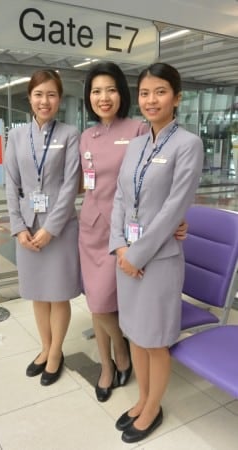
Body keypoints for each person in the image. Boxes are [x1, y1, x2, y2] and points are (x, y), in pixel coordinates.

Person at [79, 61, 187, 402]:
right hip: (95, 231)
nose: (104, 97)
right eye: (96, 91)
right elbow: (84, 184)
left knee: (104, 305)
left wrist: (179, 221)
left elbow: (161, 190)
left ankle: (122, 359)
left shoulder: (139, 130)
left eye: (110, 89)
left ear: (122, 94)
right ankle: (108, 367)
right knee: (96, 304)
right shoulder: (86, 136)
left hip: (130, 235)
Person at [109, 62, 204, 443]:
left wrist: (137, 254)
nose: (151, 100)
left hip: (157, 261)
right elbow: (119, 196)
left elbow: (173, 210)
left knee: (155, 339)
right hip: (126, 256)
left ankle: (153, 407)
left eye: (160, 92)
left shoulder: (188, 144)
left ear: (177, 98)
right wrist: (119, 244)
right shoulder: (134, 143)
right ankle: (142, 398)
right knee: (134, 334)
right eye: (145, 93)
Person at [5, 69, 82, 386]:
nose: (44, 101)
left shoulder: (69, 134)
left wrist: (51, 227)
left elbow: (69, 186)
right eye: (39, 94)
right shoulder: (17, 136)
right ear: (30, 98)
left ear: (59, 99)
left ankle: (56, 353)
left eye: (51, 94)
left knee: (58, 293)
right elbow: (11, 183)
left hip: (59, 229)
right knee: (38, 294)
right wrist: (18, 226)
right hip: (27, 228)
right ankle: (45, 347)